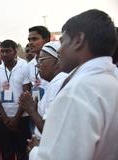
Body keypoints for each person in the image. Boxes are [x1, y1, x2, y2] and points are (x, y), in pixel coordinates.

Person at [30, 9, 118, 160]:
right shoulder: (109, 81)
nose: (60, 51)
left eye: (63, 41)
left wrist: (35, 151)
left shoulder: (79, 90)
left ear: (78, 40)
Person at [19, 41, 68, 155]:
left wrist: (31, 110)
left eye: (41, 60)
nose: (37, 65)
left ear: (58, 61)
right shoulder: (56, 82)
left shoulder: (58, 84)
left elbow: (50, 131)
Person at [0, 39, 31, 160]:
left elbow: (26, 93)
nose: (4, 54)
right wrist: (5, 118)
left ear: (15, 52)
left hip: (22, 118)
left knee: (22, 152)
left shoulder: (24, 68)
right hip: (2, 119)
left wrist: (16, 118)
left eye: (8, 51)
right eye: (2, 51)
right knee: (7, 152)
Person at [27, 26, 50, 102]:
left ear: (46, 40)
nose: (30, 43)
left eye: (34, 39)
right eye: (29, 40)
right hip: (37, 110)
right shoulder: (29, 65)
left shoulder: (57, 61)